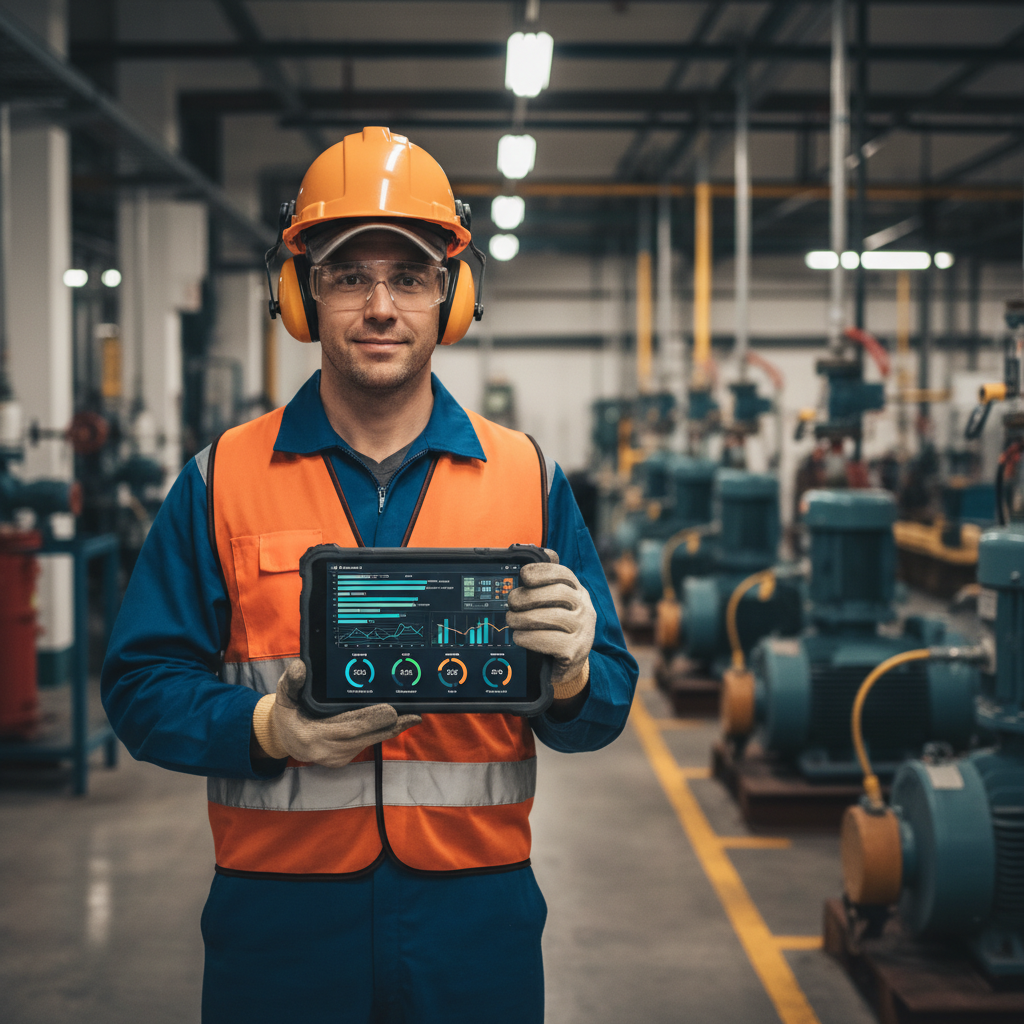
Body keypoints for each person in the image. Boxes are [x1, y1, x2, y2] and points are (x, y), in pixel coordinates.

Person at [101, 126, 638, 1024]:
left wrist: (577, 671)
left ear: (452, 299)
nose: (381, 306)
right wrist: (266, 727)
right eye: (349, 276)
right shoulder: (221, 478)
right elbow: (138, 687)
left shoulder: (528, 476)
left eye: (411, 277)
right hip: (279, 925)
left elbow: (604, 707)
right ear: (300, 296)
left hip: (476, 922)